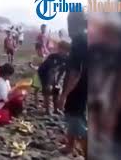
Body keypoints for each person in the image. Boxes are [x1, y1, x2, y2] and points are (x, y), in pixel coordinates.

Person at [59, 12, 87, 158]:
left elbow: (76, 73)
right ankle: (70, 146)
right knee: (72, 117)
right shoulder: (86, 37)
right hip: (86, 86)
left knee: (77, 121)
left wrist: (64, 94)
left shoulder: (79, 40)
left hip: (78, 88)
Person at [37, 41, 70, 115]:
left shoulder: (67, 59)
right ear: (60, 49)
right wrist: (50, 83)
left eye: (67, 51)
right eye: (62, 50)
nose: (65, 53)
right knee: (47, 91)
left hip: (54, 74)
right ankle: (47, 110)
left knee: (56, 90)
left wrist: (57, 81)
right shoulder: (53, 57)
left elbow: (62, 71)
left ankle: (56, 109)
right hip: (44, 73)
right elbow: (50, 71)